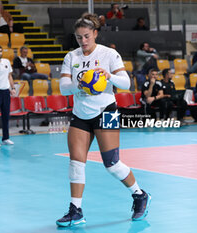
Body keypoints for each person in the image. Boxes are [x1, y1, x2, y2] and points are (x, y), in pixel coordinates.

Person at [56, 13, 151, 227]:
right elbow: (63, 87)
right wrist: (80, 85)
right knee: (75, 162)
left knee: (112, 164)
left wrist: (107, 76)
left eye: (87, 36)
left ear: (95, 33)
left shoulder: (109, 54)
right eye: (79, 37)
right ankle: (76, 210)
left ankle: (139, 195)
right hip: (81, 114)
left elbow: (126, 83)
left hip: (106, 111)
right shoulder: (71, 57)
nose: (84, 41)